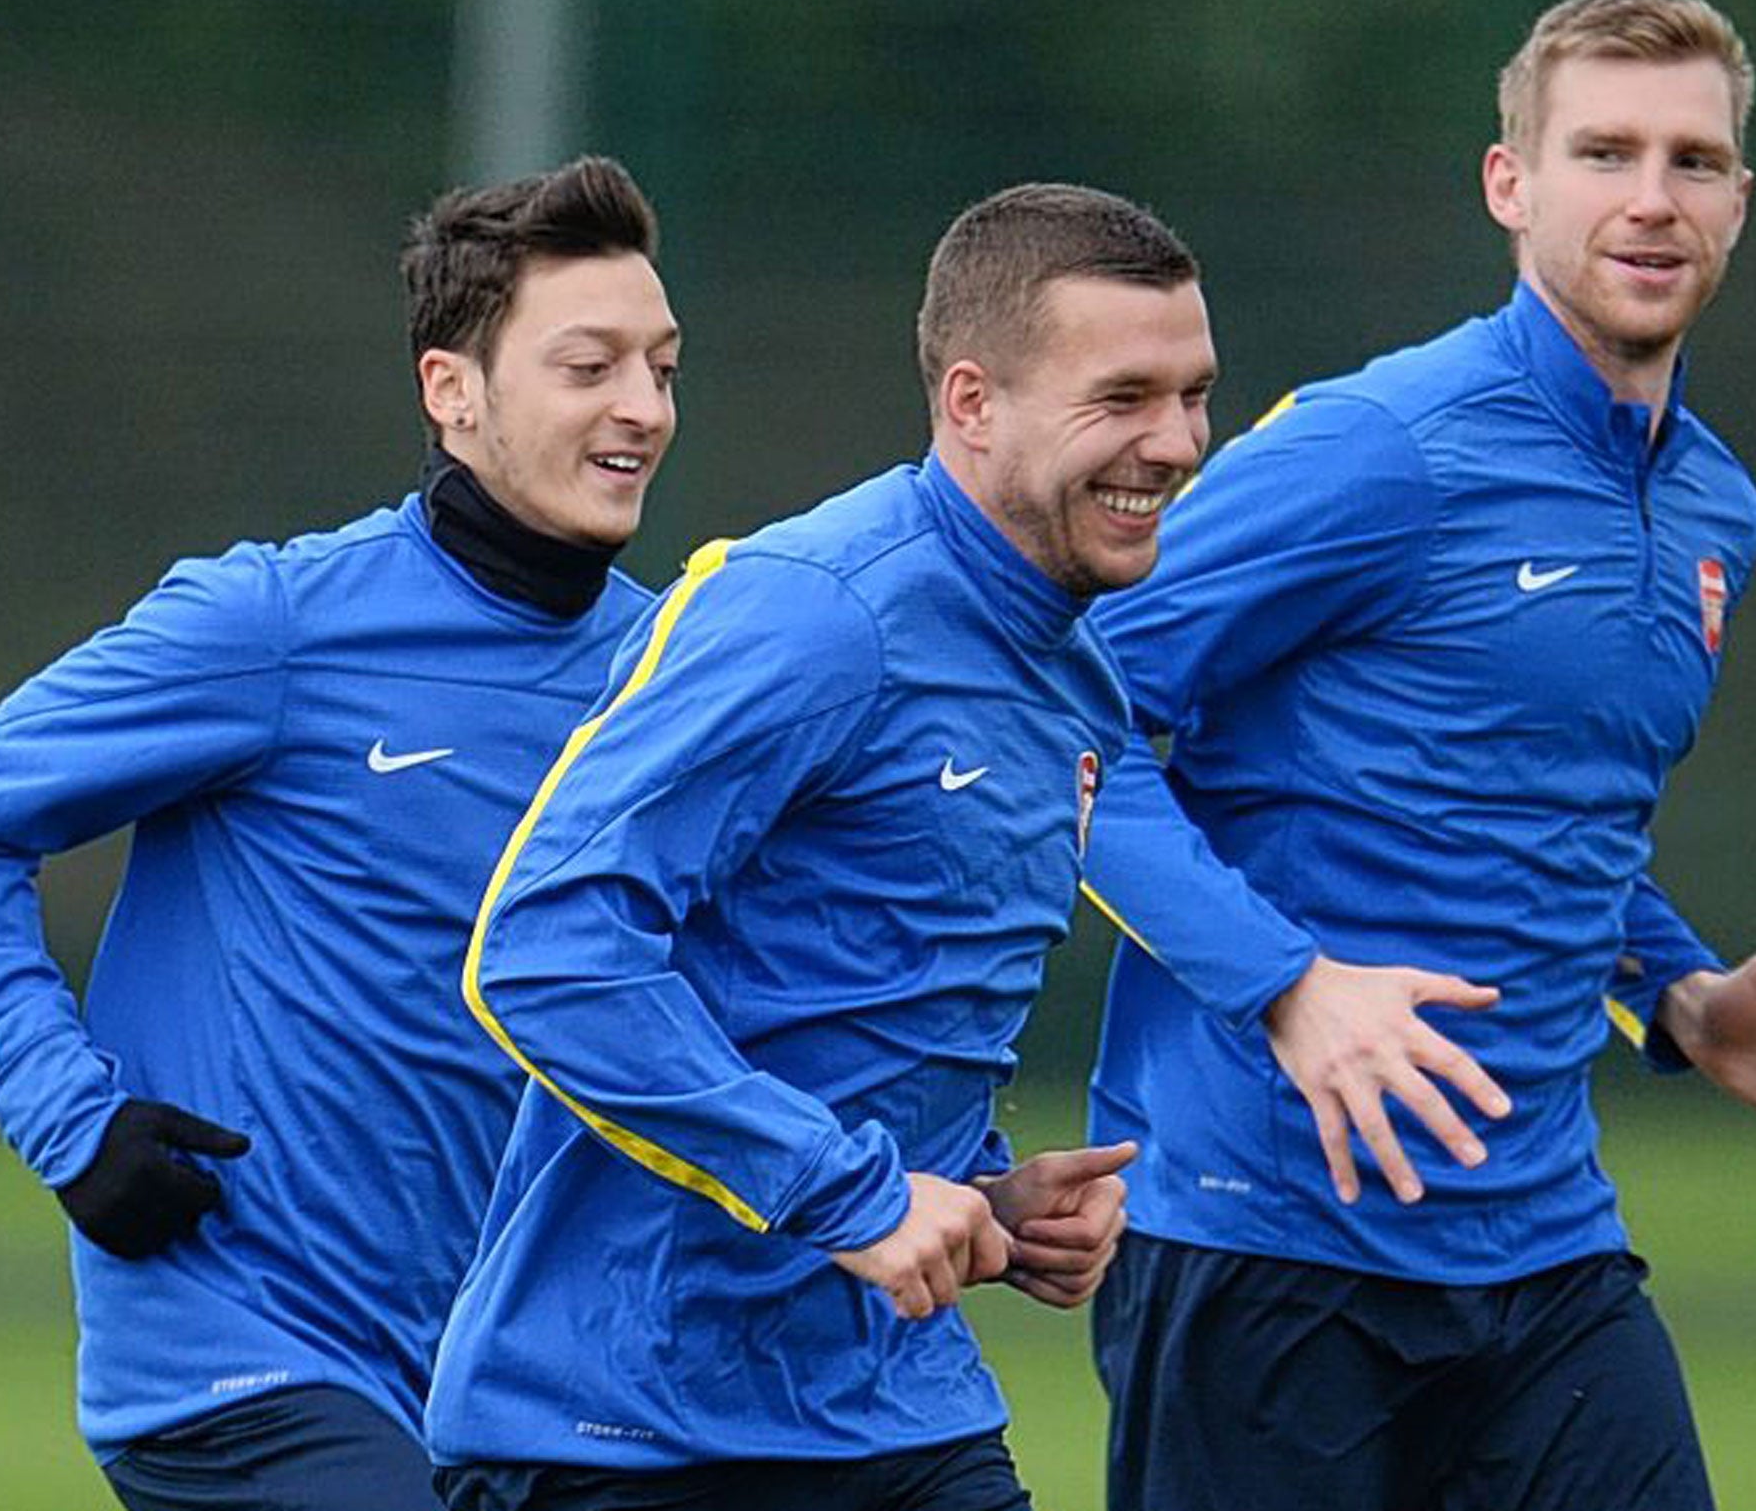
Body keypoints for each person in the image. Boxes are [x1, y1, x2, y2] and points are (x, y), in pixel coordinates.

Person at [1078, 0, 1756, 1511]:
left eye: (1695, 160)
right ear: (1511, 184)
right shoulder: (1380, 446)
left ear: (1742, 200)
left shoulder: (1716, 507)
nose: (1653, 199)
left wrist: (1675, 991)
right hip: (1263, 1237)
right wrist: (1289, 989)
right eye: (1604, 151)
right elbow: (1068, 725)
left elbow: (1530, 809)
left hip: (1546, 1255)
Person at [423, 182, 1217, 1511]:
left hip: (891, 1407)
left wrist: (985, 1202)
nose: (1178, 441)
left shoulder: (1079, 678)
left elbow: (844, 996)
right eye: (1123, 397)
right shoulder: (816, 615)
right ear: (972, 403)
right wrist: (845, 1194)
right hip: (628, 1431)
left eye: (1194, 394)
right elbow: (547, 952)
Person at [0, 155, 680, 1509]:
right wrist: (71, 1121)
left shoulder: (676, 678)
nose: (642, 406)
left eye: (663, 367)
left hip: (517, 1388)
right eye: (591, 368)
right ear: (452, 393)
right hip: (244, 1367)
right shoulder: (273, 626)